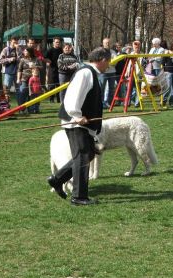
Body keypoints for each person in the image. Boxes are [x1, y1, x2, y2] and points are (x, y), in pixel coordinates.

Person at [47, 47, 111, 206]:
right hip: (76, 123)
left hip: (81, 124)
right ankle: (79, 197)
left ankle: (57, 179)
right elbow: (72, 96)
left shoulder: (90, 73)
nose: (109, 65)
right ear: (102, 59)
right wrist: (76, 116)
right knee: (83, 156)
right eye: (108, 61)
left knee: (87, 154)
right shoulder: (86, 73)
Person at [17, 47, 43, 113]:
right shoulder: (22, 60)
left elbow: (41, 67)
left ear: (30, 52)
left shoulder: (36, 59)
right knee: (23, 93)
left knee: (32, 94)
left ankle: (32, 109)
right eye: (24, 51)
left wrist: (35, 66)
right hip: (24, 79)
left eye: (26, 51)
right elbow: (19, 70)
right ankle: (21, 109)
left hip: (34, 79)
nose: (25, 52)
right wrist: (18, 79)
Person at [99, 37, 117, 108]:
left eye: (109, 43)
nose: (107, 44)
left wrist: (107, 63)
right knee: (101, 88)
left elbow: (115, 61)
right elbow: (100, 61)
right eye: (106, 43)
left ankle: (109, 103)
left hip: (112, 72)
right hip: (103, 72)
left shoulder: (113, 52)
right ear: (103, 44)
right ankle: (101, 103)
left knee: (111, 89)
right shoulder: (100, 52)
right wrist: (108, 63)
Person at [45, 37, 63, 103]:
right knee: (51, 85)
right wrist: (47, 61)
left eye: (59, 42)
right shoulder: (50, 50)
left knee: (59, 85)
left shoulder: (61, 50)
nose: (58, 43)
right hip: (52, 69)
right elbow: (45, 57)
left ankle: (59, 99)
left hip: (60, 70)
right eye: (56, 42)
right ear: (53, 43)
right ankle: (51, 99)